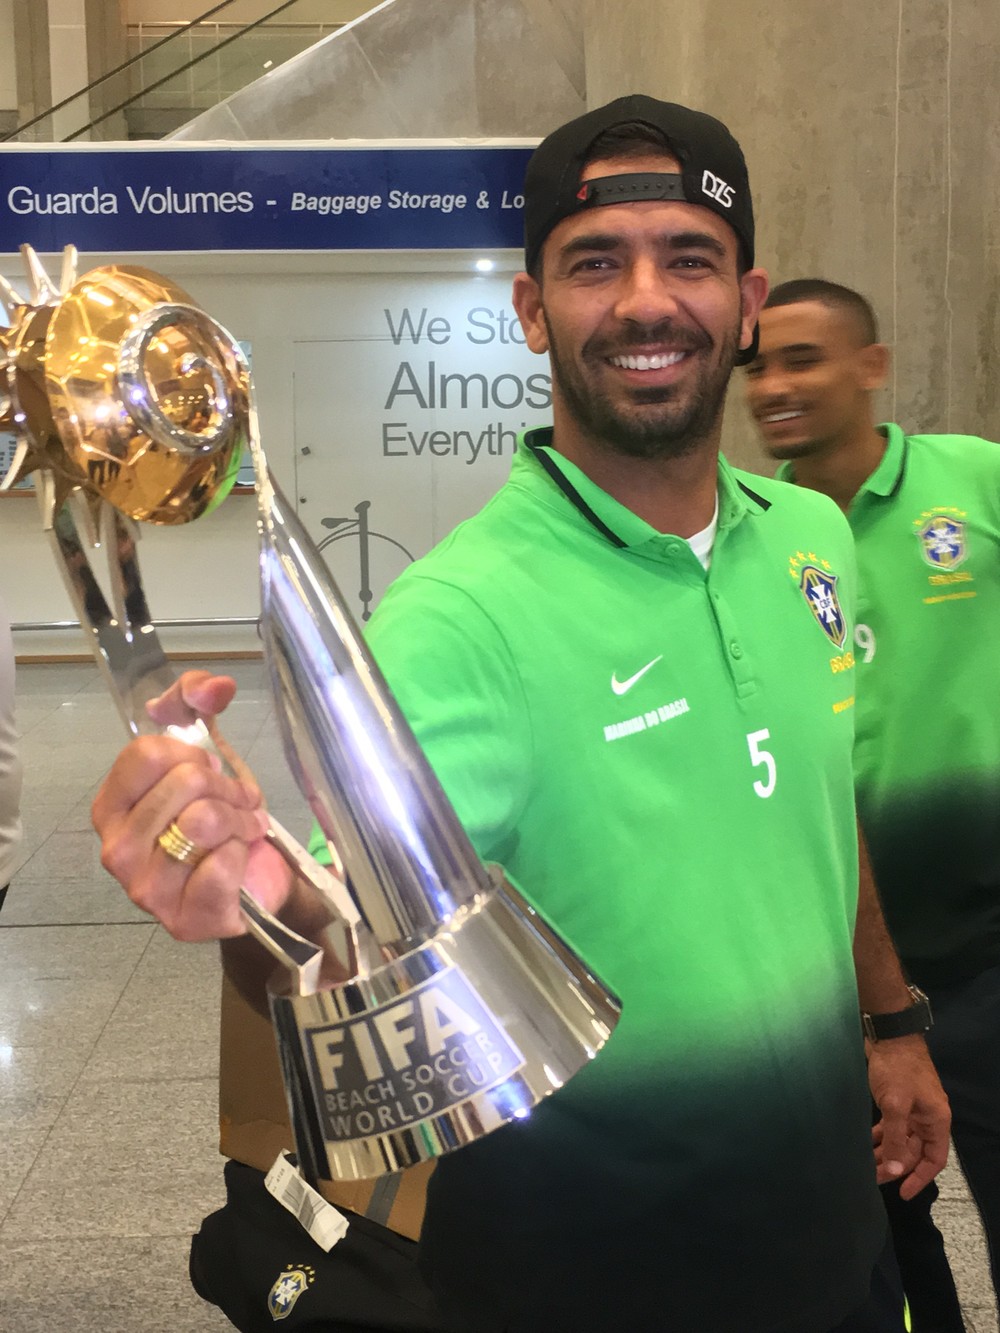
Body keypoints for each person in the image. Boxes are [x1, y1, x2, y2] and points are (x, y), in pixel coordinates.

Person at [93, 96, 952, 1333]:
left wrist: (890, 1022)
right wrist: (256, 900)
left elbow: (818, 807)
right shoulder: (459, 620)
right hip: (589, 1274)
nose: (646, 301)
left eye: (689, 259)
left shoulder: (810, 540)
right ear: (532, 311)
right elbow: (345, 944)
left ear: (747, 300)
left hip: (836, 1233)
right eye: (595, 264)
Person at [745, 277, 1000, 1332]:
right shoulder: (755, 532)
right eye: (756, 364)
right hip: (843, 987)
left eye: (801, 358)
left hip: (987, 954)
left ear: (871, 366)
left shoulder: (973, 480)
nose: (772, 386)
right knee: (884, 1245)